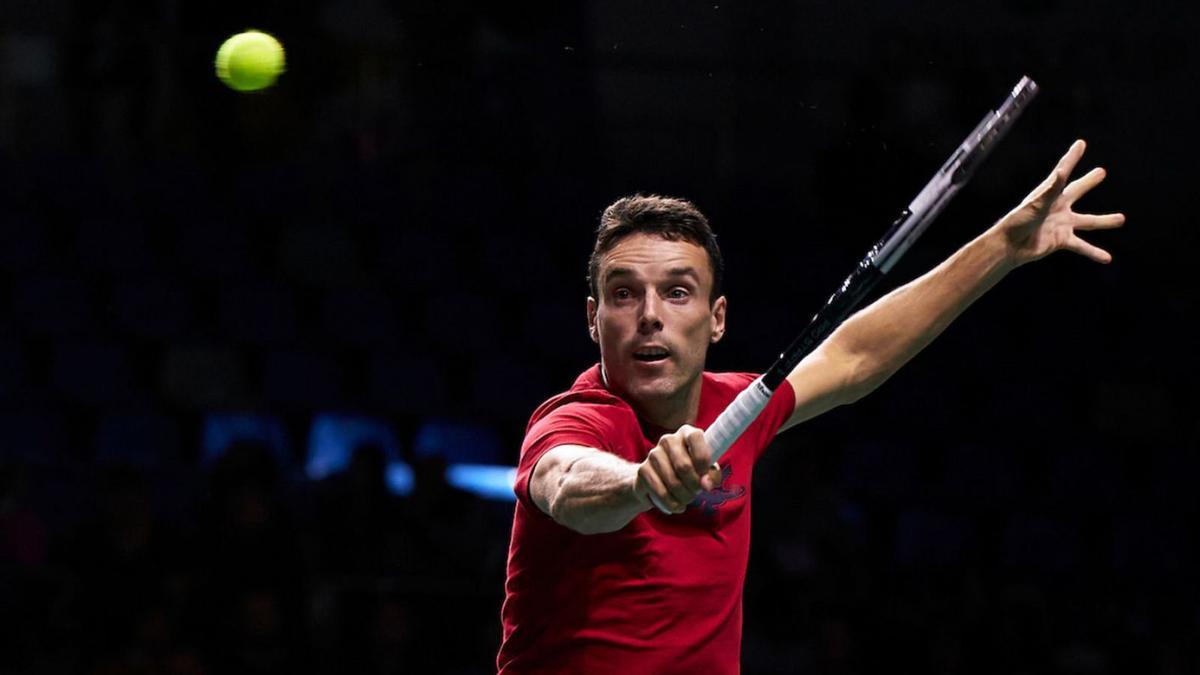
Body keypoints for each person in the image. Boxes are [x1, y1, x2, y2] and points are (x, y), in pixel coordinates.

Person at [496, 140, 1124, 674]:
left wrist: (1002, 249)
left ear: (717, 319)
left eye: (677, 292)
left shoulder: (737, 406)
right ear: (592, 318)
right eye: (624, 293)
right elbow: (565, 481)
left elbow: (856, 355)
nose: (651, 315)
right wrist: (640, 481)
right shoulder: (578, 418)